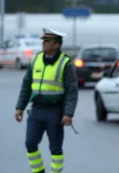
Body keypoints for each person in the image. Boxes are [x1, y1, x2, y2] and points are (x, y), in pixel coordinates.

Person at [14, 28, 78, 173]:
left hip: (55, 111)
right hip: (36, 109)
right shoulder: (35, 60)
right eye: (43, 41)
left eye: (47, 41)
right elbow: (26, 85)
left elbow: (72, 91)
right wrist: (20, 107)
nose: (43, 44)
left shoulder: (65, 64)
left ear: (56, 44)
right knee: (30, 143)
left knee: (55, 148)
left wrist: (68, 113)